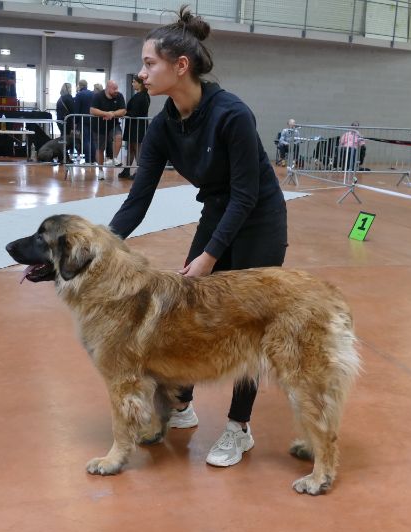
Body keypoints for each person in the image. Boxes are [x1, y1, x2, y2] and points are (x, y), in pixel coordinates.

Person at [107, 7, 288, 468]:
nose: (142, 73)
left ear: (180, 66)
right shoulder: (163, 125)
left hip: (259, 218)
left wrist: (209, 256)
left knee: (249, 324)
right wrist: (101, 245)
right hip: (218, 212)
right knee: (187, 310)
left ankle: (238, 427)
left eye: (149, 63)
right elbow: (138, 199)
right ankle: (181, 404)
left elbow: (246, 195)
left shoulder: (232, 114)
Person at [90, 80, 126, 179]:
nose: (116, 90)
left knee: (118, 137)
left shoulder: (119, 96)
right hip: (99, 126)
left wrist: (112, 114)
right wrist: (105, 113)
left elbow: (123, 111)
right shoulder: (98, 96)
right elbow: (92, 110)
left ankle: (114, 158)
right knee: (100, 149)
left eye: (117, 88)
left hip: (113, 124)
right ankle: (100, 170)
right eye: (114, 89)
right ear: (108, 88)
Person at [118, 75, 150, 180]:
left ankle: (140, 172)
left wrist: (124, 113)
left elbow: (134, 113)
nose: (132, 84)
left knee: (137, 149)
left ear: (140, 84)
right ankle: (127, 170)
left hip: (136, 126)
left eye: (134, 82)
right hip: (135, 126)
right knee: (131, 149)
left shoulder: (140, 96)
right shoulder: (143, 95)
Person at [71, 79, 94, 165]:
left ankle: (87, 160)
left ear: (79, 85)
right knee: (92, 140)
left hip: (83, 120)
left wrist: (75, 122)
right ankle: (93, 159)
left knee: (85, 140)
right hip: (93, 120)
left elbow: (76, 110)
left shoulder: (79, 95)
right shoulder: (93, 94)